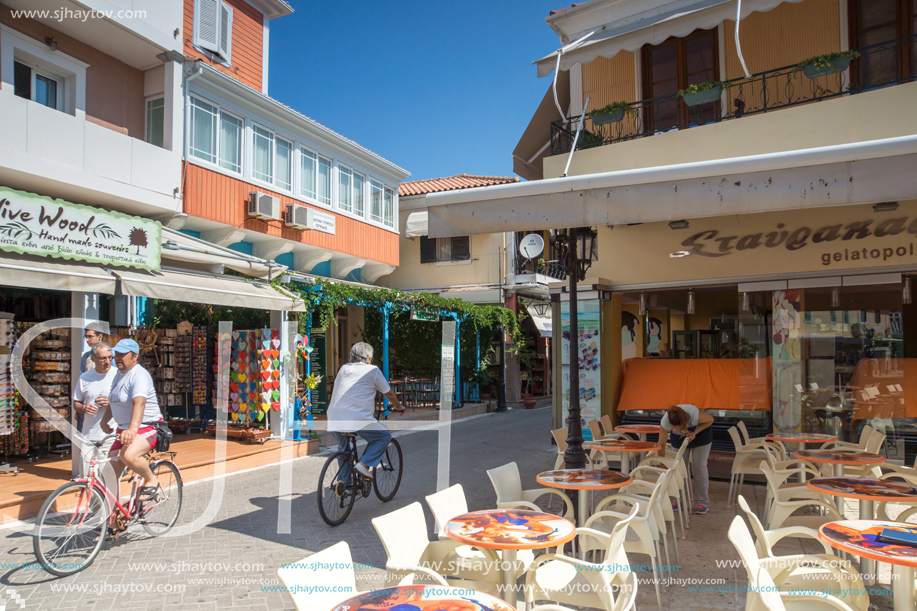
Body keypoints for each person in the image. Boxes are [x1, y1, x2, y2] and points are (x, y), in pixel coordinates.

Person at [327, 342, 405, 479]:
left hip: (334, 417)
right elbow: (389, 394)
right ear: (369, 359)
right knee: (384, 437)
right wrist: (398, 406)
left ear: (352, 357)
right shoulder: (372, 370)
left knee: (344, 450)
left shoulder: (343, 369)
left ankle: (343, 485)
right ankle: (363, 465)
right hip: (357, 418)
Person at [99, 339, 163, 500]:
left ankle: (151, 479)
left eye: (123, 354)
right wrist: (104, 421)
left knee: (128, 455)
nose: (118, 358)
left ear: (135, 357)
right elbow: (113, 400)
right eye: (116, 354)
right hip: (124, 429)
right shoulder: (118, 375)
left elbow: (139, 403)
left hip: (146, 427)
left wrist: (133, 428)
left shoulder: (139, 375)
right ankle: (113, 519)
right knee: (109, 475)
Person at [72, 342, 118, 480]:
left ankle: (108, 502)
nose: (107, 361)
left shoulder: (118, 375)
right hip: (89, 435)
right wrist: (85, 408)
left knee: (109, 479)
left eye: (110, 357)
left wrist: (111, 402)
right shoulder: (85, 377)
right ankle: (92, 502)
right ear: (93, 359)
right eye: (103, 358)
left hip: (111, 435)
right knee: (87, 478)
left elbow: (129, 403)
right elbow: (76, 404)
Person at [658, 403, 714, 515]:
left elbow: (710, 420)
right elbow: (661, 444)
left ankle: (702, 502)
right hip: (679, 440)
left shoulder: (693, 415)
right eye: (672, 427)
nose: (673, 429)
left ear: (683, 423)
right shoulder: (665, 421)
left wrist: (694, 432)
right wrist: (662, 463)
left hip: (701, 436)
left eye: (676, 428)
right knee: (678, 469)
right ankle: (679, 499)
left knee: (699, 467)